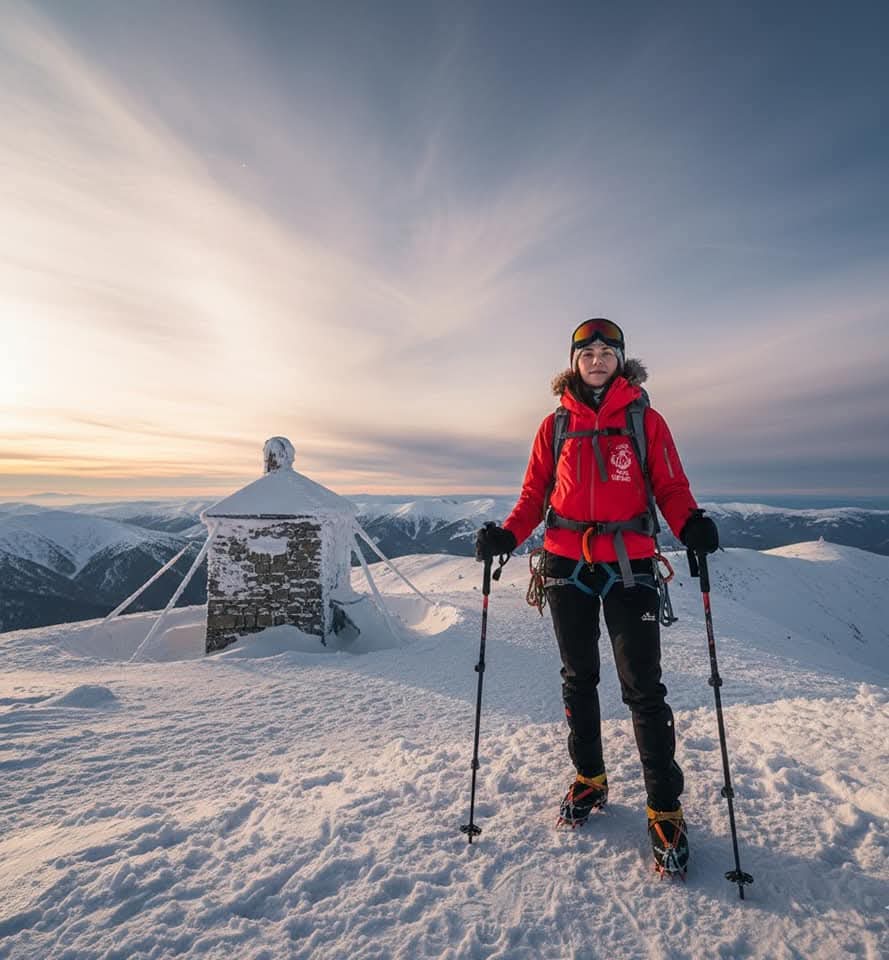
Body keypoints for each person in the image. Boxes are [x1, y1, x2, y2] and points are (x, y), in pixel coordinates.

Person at [475, 317, 718, 875]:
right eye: (589, 351)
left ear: (621, 360)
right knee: (578, 678)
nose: (598, 358)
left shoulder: (645, 420)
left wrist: (691, 525)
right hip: (565, 565)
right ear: (574, 361)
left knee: (643, 689)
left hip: (629, 566)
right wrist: (509, 535)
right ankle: (590, 777)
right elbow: (535, 493)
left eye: (608, 350)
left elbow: (672, 487)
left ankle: (664, 805)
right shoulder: (553, 425)